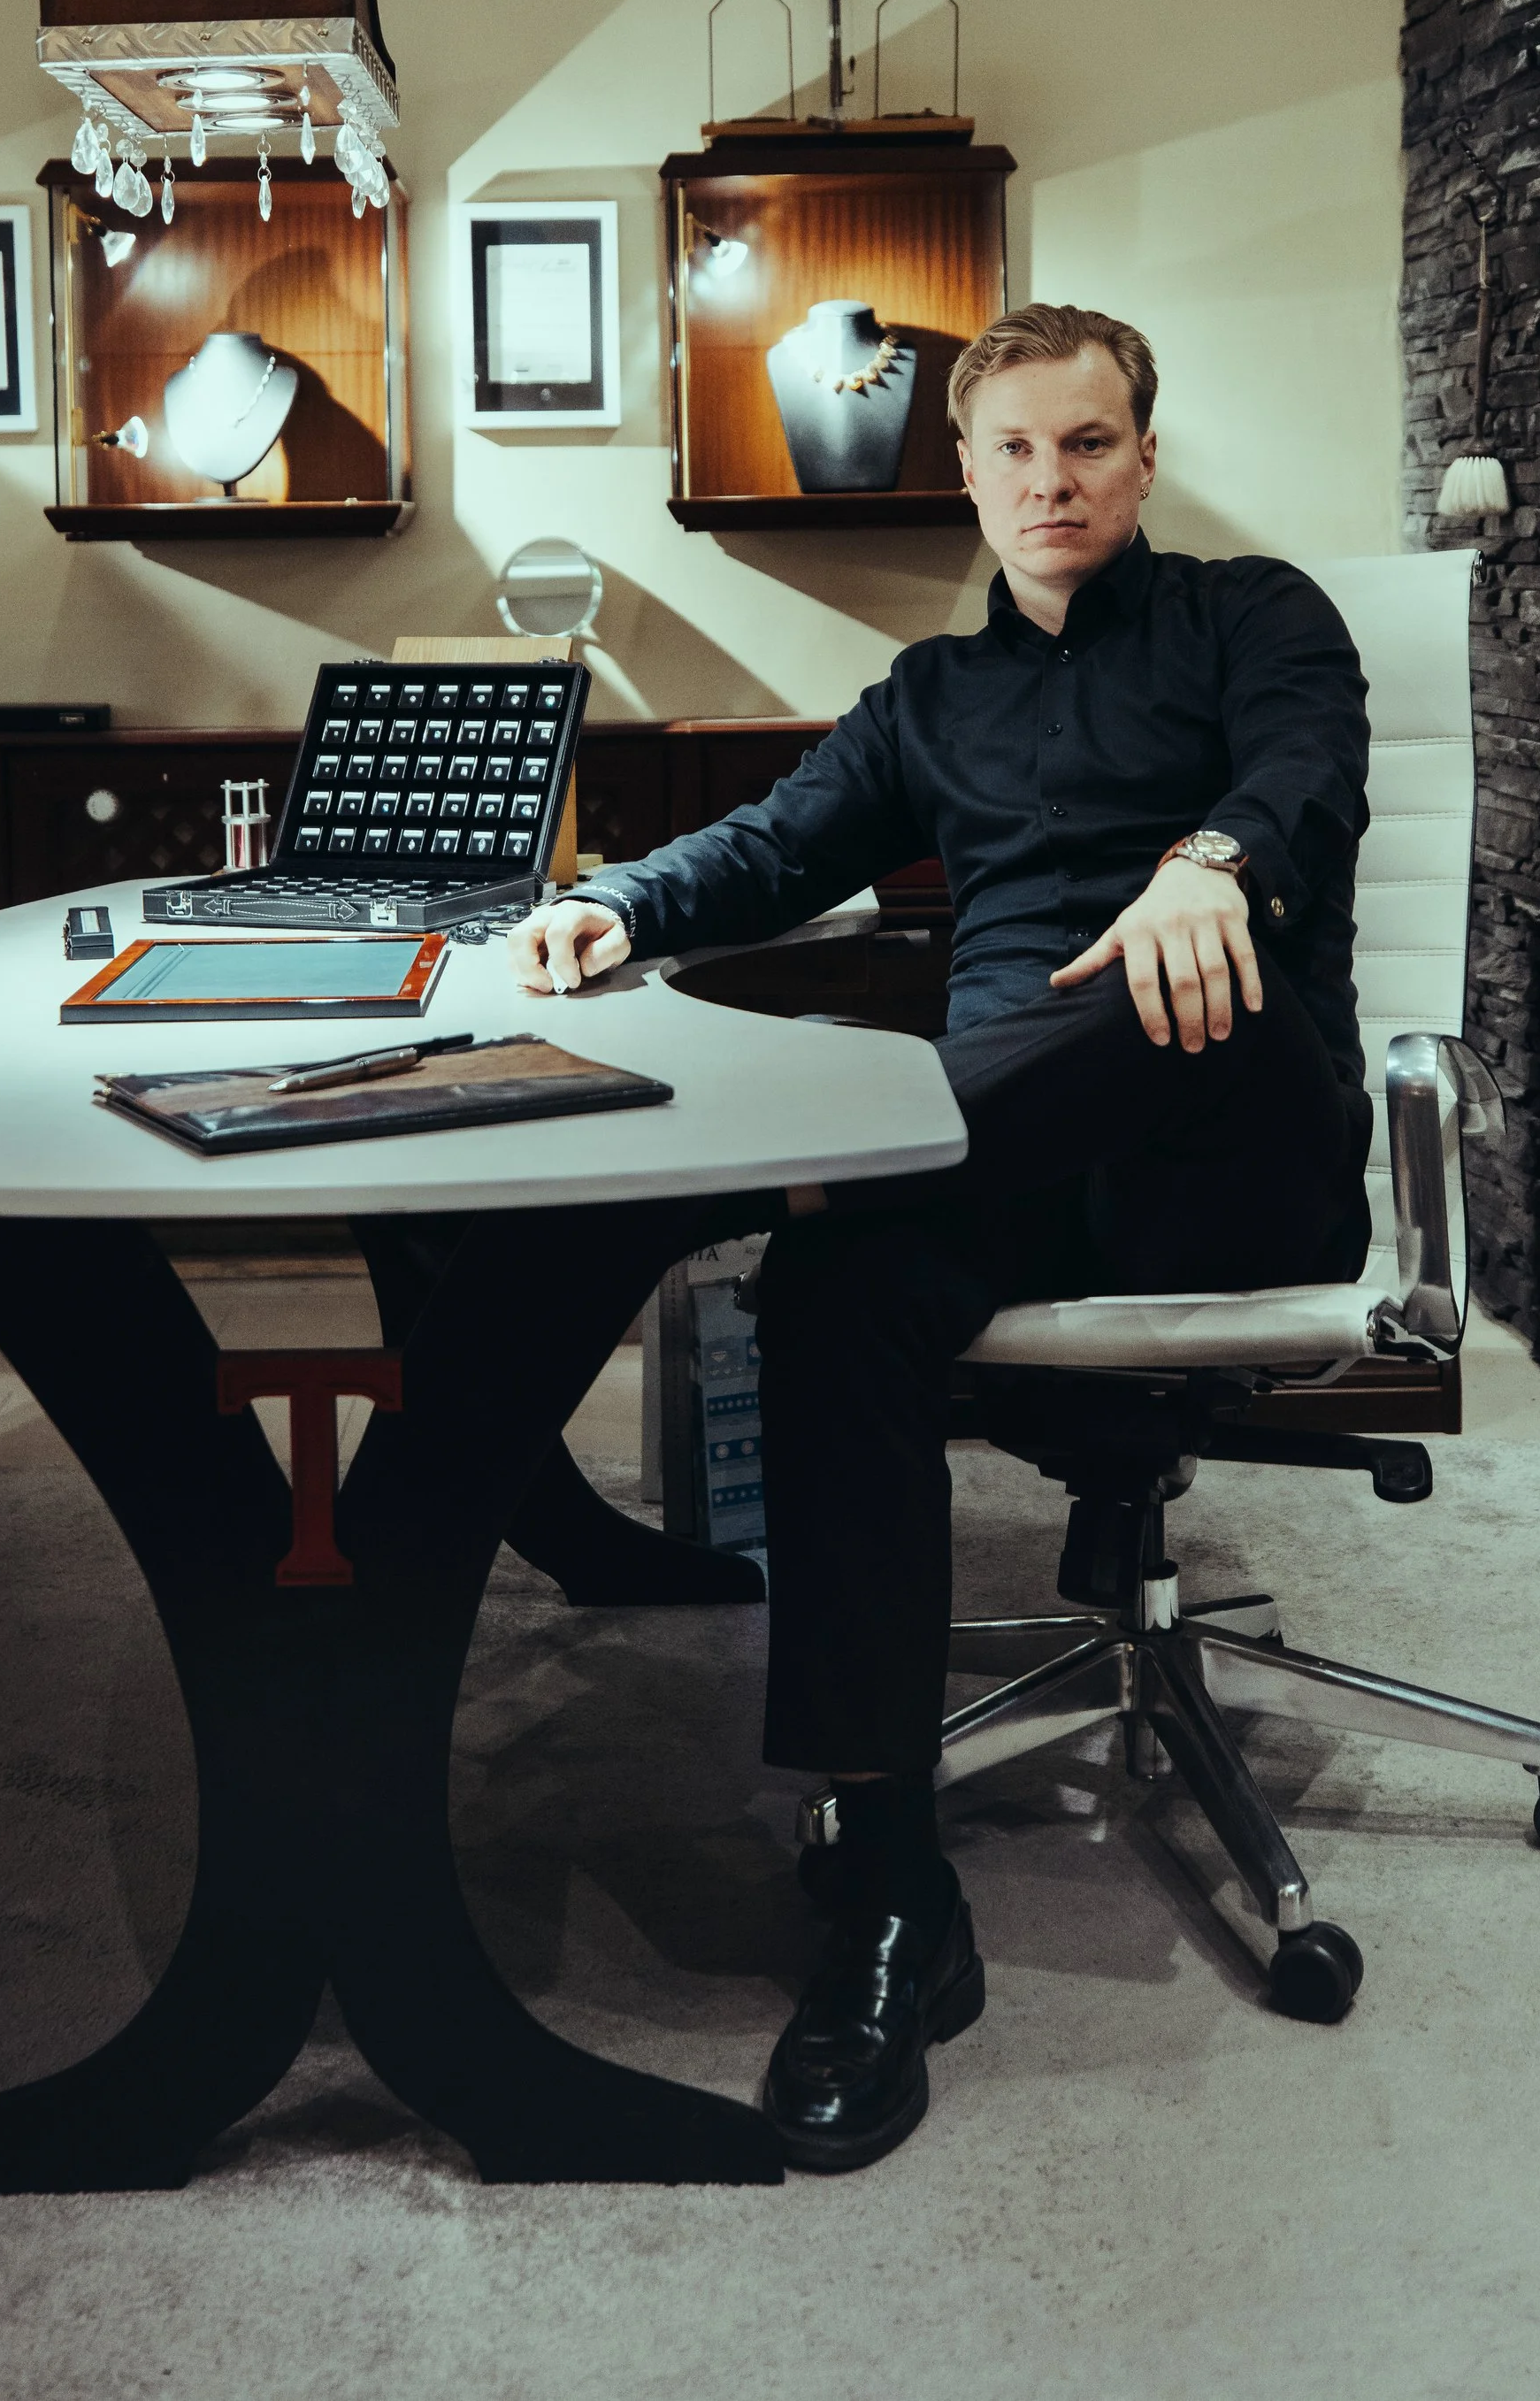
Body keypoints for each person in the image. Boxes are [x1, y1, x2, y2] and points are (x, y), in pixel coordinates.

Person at [508, 301, 1371, 2173]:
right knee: (834, 1286)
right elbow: (774, 841)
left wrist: (1205, 867)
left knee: (1163, 975)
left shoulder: (1256, 620)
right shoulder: (927, 697)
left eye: (1086, 445)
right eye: (1014, 451)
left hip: (1238, 1129)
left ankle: (734, 1170)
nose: (1049, 481)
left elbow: (1296, 772)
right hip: (992, 1157)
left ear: (1140, 457)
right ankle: (889, 1890)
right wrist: (619, 902)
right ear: (967, 472)